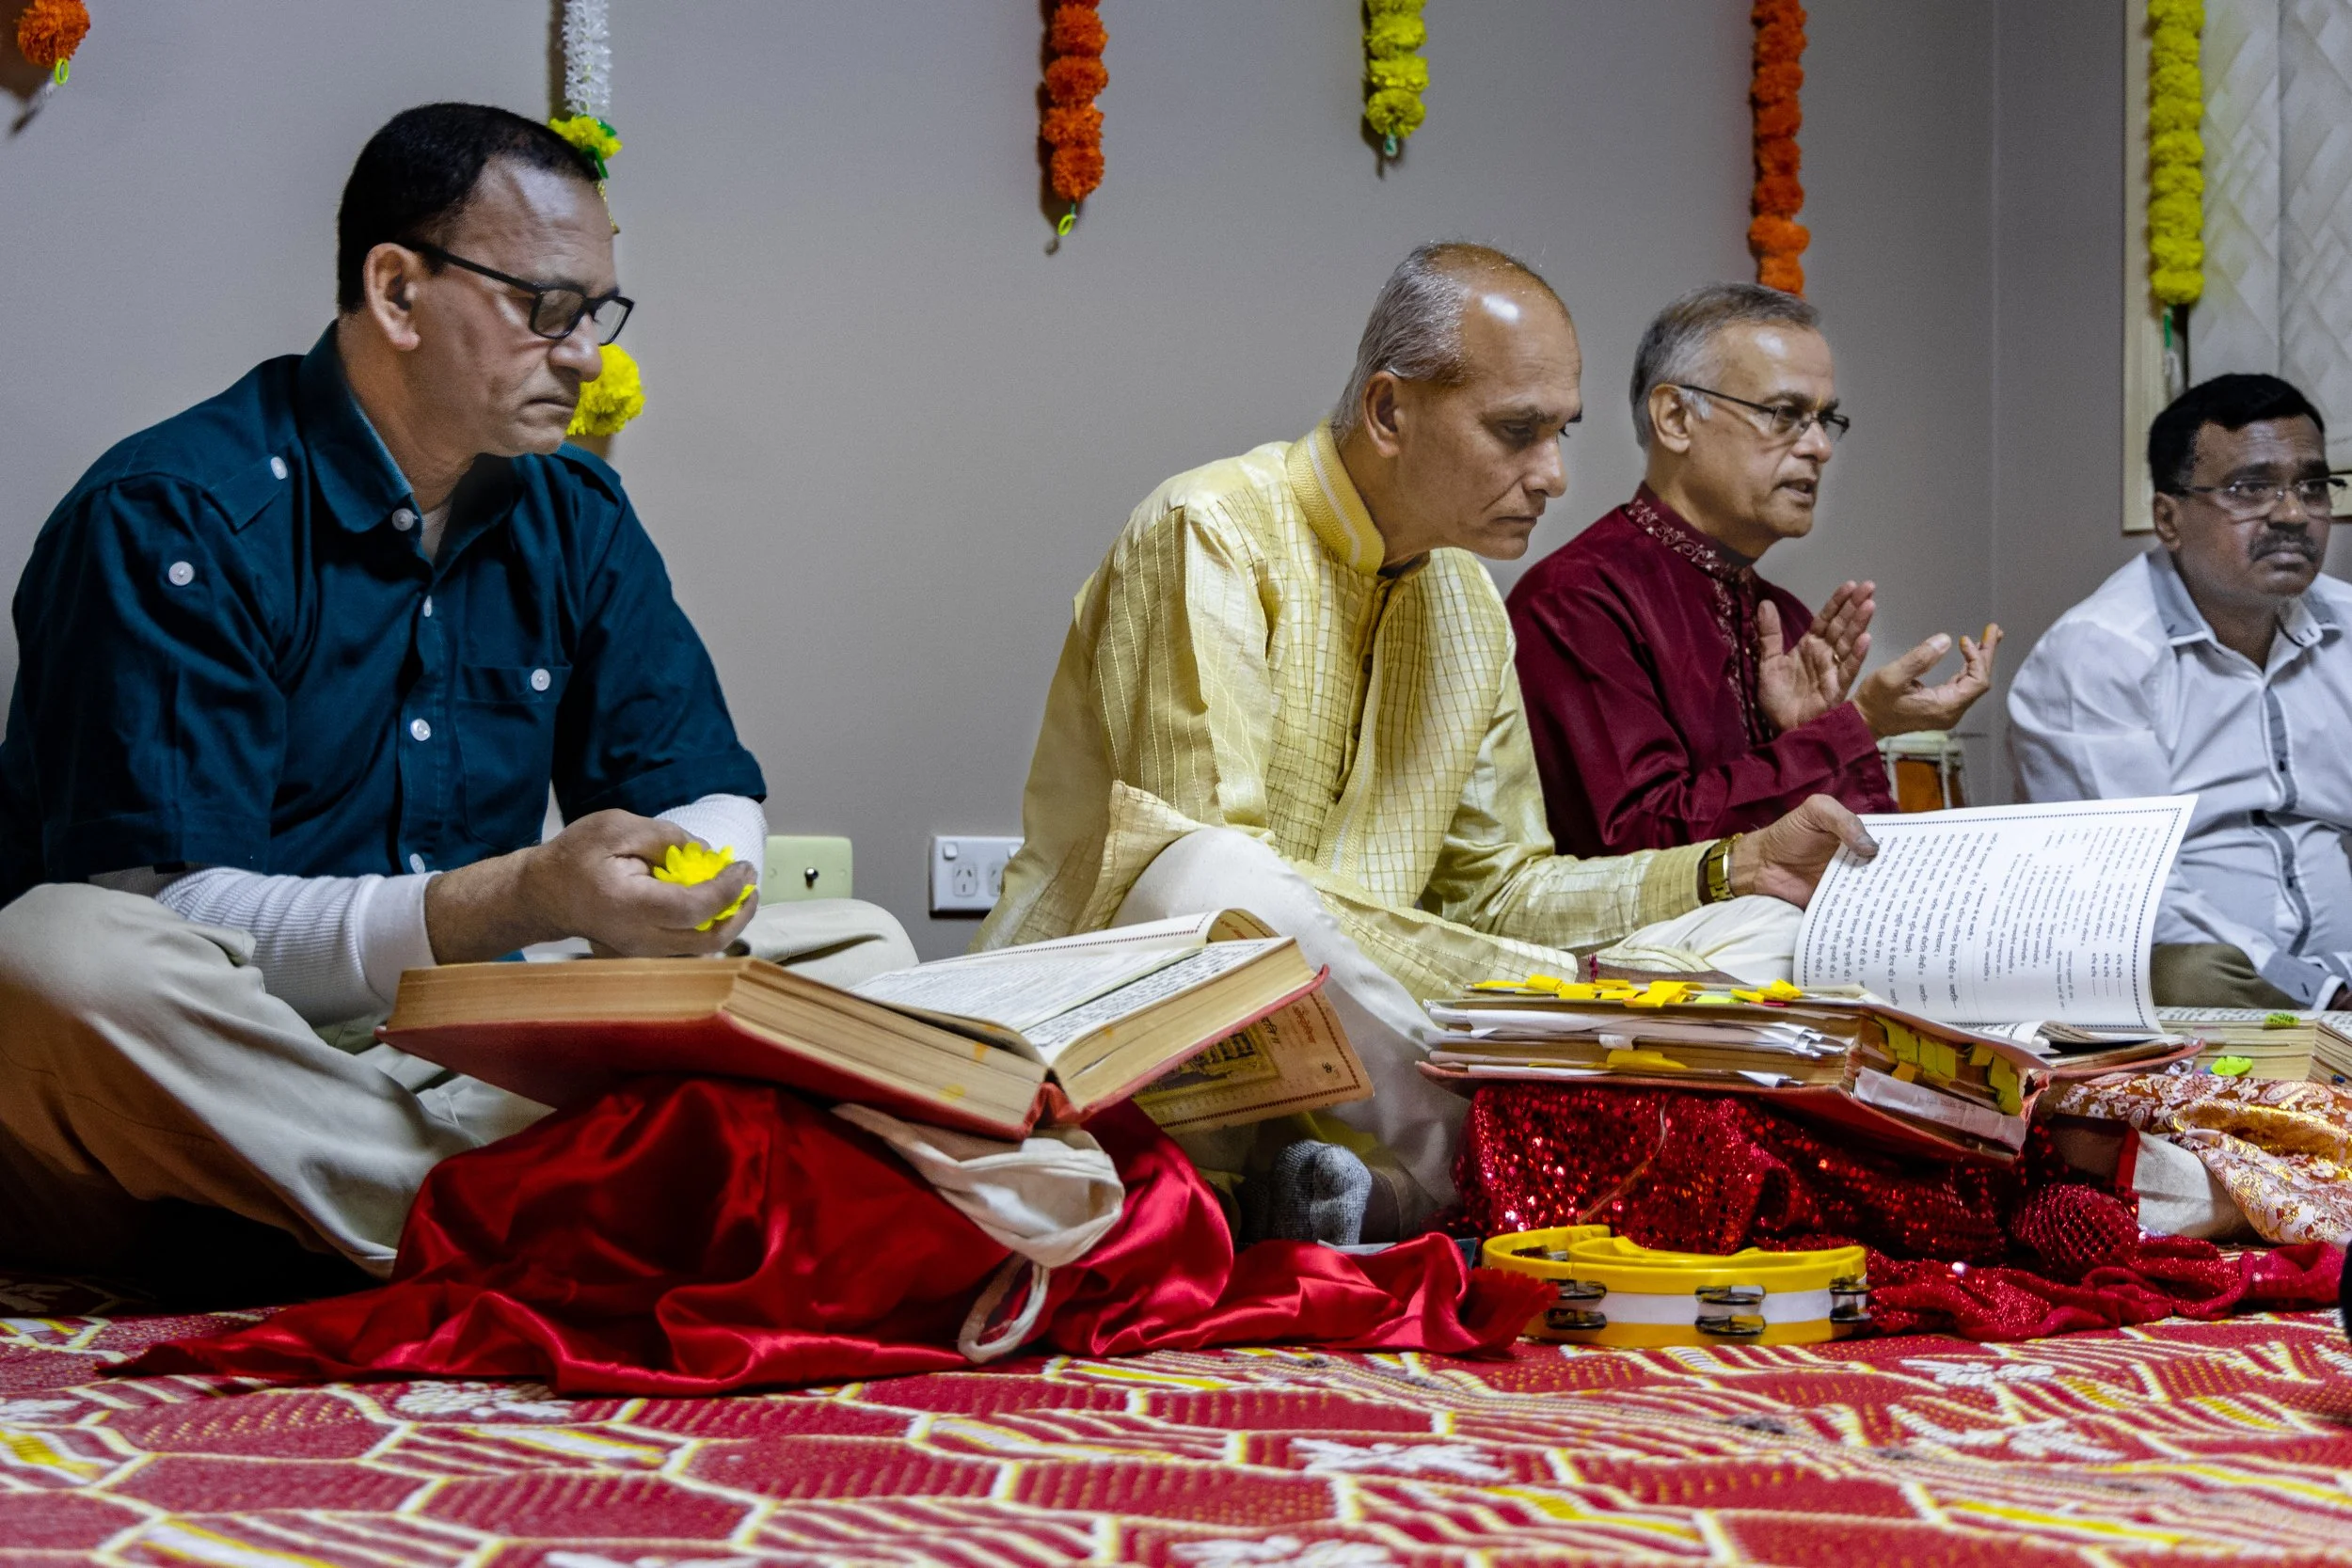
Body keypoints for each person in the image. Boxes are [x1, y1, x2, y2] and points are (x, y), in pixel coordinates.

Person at [0, 103, 914, 1281]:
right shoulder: (171, 514)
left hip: (456, 1059)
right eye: (545, 310)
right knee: (60, 960)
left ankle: (388, 1206)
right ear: (396, 291)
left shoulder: (575, 514)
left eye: (595, 314)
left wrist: (687, 889)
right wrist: (520, 895)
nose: (584, 355)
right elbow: (174, 922)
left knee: (863, 948)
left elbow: (697, 791)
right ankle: (542, 1215)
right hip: (229, 1055)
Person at [977, 244, 1878, 1233]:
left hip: (1374, 1043)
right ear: (1388, 411)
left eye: (1560, 432)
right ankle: (1512, 1163)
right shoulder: (1211, 530)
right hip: (1138, 1030)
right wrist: (1539, 996)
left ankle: (1434, 1176)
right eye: (1516, 432)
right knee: (1214, 883)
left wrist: (1726, 867)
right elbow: (1208, 914)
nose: (1555, 475)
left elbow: (1500, 889)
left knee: (1769, 934)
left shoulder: (1464, 602)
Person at [1506, 282, 2002, 857]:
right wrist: (1855, 726)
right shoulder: (1577, 603)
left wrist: (1802, 734)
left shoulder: (1784, 617)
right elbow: (1637, 846)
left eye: (1825, 419)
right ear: (1675, 418)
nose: (1820, 446)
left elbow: (1858, 851)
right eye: (1786, 414)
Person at [2010, 372, 2352, 1010]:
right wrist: (2321, 988)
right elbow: (2133, 891)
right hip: (2208, 979)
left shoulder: (2348, 624)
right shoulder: (2096, 655)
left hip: (2341, 976)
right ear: (2168, 518)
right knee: (2188, 973)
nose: (2293, 513)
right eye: (2250, 489)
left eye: (2313, 485)